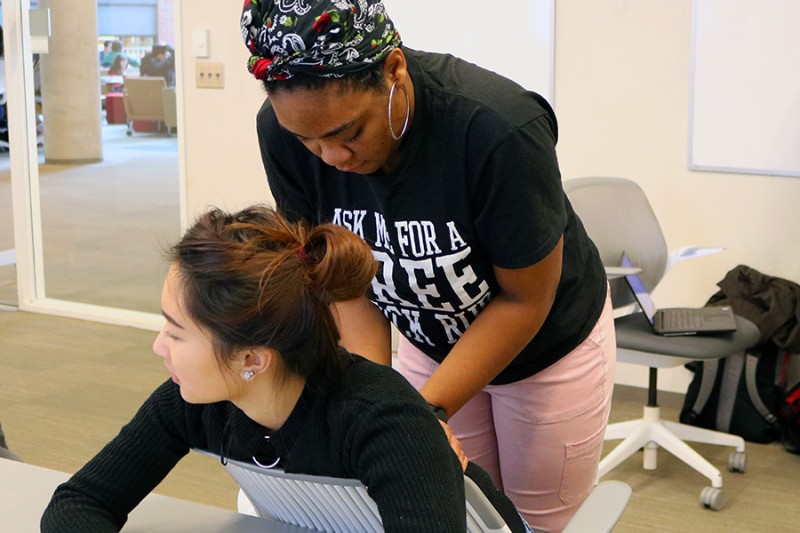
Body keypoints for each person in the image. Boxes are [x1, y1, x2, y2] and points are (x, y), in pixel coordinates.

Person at [241, 2, 616, 531]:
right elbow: (343, 280)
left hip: (545, 351)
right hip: (428, 335)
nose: (332, 158)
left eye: (348, 133)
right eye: (310, 141)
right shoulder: (283, 134)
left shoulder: (497, 129)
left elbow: (525, 298)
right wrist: (370, 393)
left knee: (531, 521)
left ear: (393, 70)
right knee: (455, 512)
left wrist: (418, 415)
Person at [41, 206, 530, 533]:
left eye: (175, 332)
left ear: (252, 359)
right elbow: (80, 502)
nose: (158, 347)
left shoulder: (384, 422)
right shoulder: (196, 401)